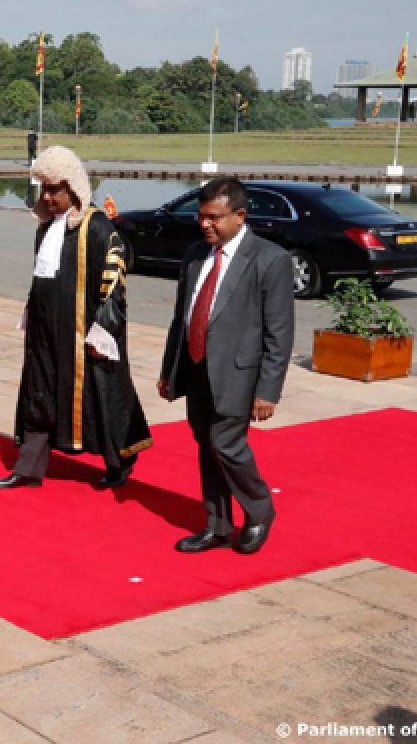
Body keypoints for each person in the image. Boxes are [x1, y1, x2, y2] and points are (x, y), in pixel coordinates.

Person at [0, 146, 151, 490]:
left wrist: (102, 331)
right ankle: (29, 467)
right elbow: (42, 278)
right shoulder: (46, 228)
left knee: (100, 396)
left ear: (74, 189)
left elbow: (114, 283)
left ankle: (119, 462)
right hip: (45, 331)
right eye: (43, 190)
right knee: (38, 393)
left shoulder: (97, 228)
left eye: (54, 190)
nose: (47, 198)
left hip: (84, 331)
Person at [158, 177, 295, 555]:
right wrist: (170, 371)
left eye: (214, 218)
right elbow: (181, 318)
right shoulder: (194, 256)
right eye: (201, 217)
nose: (205, 225)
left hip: (239, 376)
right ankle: (217, 526)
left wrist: (268, 390)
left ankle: (259, 509)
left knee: (226, 443)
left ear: (239, 215)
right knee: (207, 445)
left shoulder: (270, 260)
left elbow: (278, 334)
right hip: (197, 369)